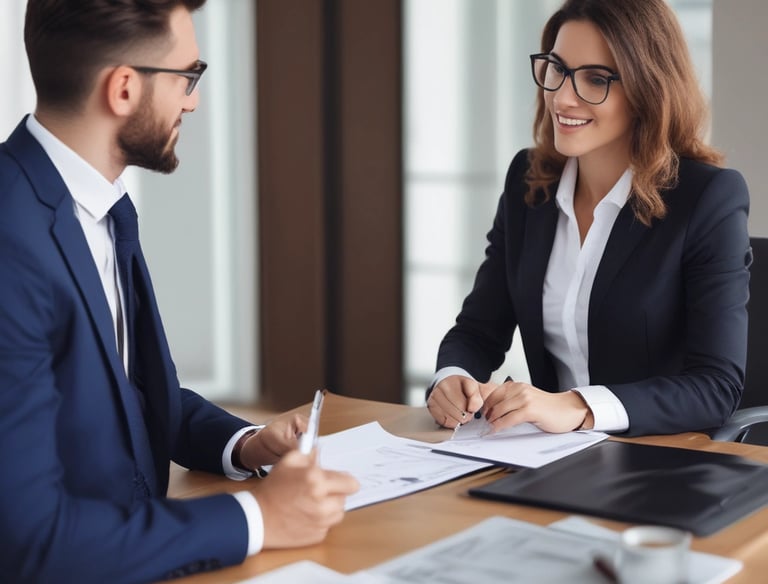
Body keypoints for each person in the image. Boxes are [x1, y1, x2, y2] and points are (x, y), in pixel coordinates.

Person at [0, 1, 358, 582]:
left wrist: (247, 445)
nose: (192, 99)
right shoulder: (11, 240)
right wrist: (259, 517)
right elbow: (31, 542)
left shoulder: (102, 206)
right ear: (122, 89)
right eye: (187, 77)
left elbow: (128, 394)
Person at [426, 0, 751, 438]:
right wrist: (452, 376)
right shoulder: (528, 184)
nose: (561, 96)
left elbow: (715, 387)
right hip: (545, 456)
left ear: (647, 89)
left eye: (596, 79)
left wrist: (578, 407)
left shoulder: (707, 198)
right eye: (556, 69)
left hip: (660, 460)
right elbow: (479, 329)